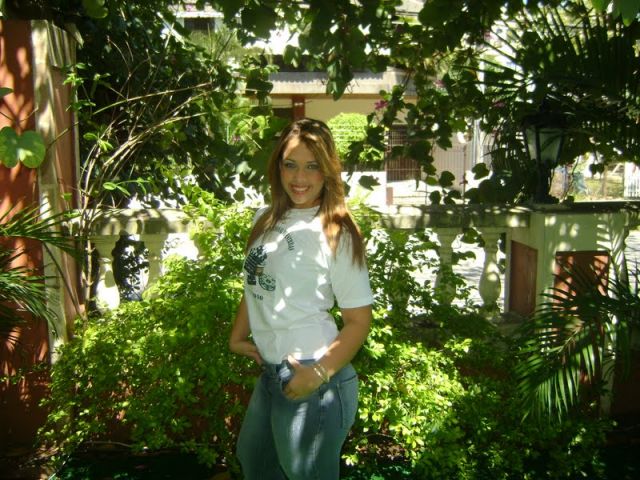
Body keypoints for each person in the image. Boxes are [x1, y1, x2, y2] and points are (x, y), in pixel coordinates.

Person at [229, 118, 373, 480]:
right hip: (272, 371)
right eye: (290, 164)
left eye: (312, 166)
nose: (299, 178)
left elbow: (358, 321)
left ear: (328, 171)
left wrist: (318, 374)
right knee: (256, 463)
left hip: (313, 373)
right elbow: (257, 283)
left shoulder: (336, 231)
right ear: (277, 166)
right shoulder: (265, 218)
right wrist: (238, 336)